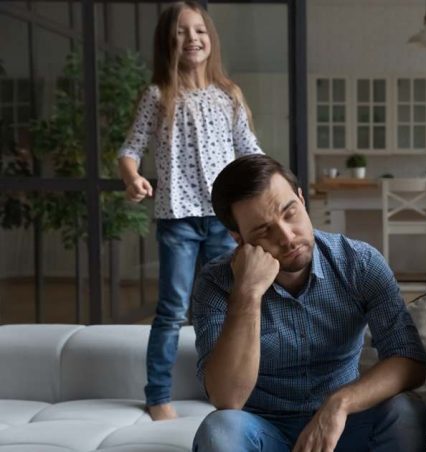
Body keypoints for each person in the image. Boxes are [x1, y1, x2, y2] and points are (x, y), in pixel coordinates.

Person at [191, 154, 426, 452]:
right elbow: (228, 399)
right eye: (264, 230)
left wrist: (340, 404)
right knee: (219, 429)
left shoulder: (359, 263)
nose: (287, 237)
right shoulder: (215, 283)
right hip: (263, 430)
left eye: (290, 212)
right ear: (238, 238)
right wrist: (247, 294)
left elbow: (409, 360)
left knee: (406, 411)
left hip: (344, 426)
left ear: (302, 199)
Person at [117, 1, 264, 420]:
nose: (192, 39)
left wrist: (275, 185)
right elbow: (131, 149)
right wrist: (133, 178)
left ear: (210, 39)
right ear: (169, 42)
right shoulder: (157, 96)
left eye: (198, 30)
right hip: (177, 219)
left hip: (223, 221)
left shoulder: (228, 96)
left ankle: (222, 387)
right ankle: (158, 395)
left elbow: (249, 150)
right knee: (172, 310)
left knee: (223, 305)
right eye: (181, 32)